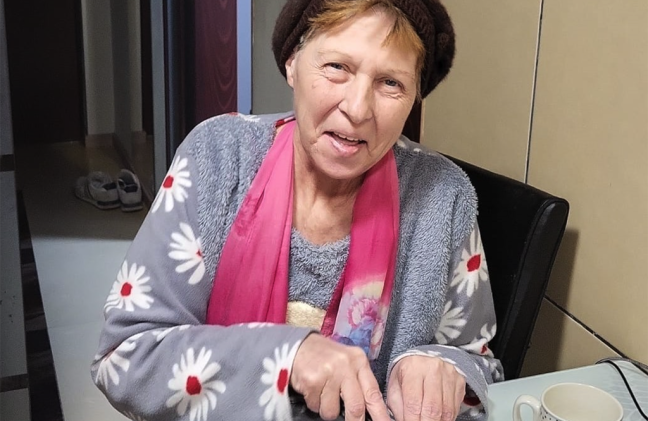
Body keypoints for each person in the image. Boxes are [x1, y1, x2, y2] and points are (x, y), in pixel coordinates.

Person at [91, 1, 504, 420]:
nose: (358, 109)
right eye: (337, 67)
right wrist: (289, 357)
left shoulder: (441, 196)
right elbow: (125, 357)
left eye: (391, 83)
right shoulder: (216, 157)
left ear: (414, 96)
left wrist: (444, 367)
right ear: (292, 63)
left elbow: (479, 364)